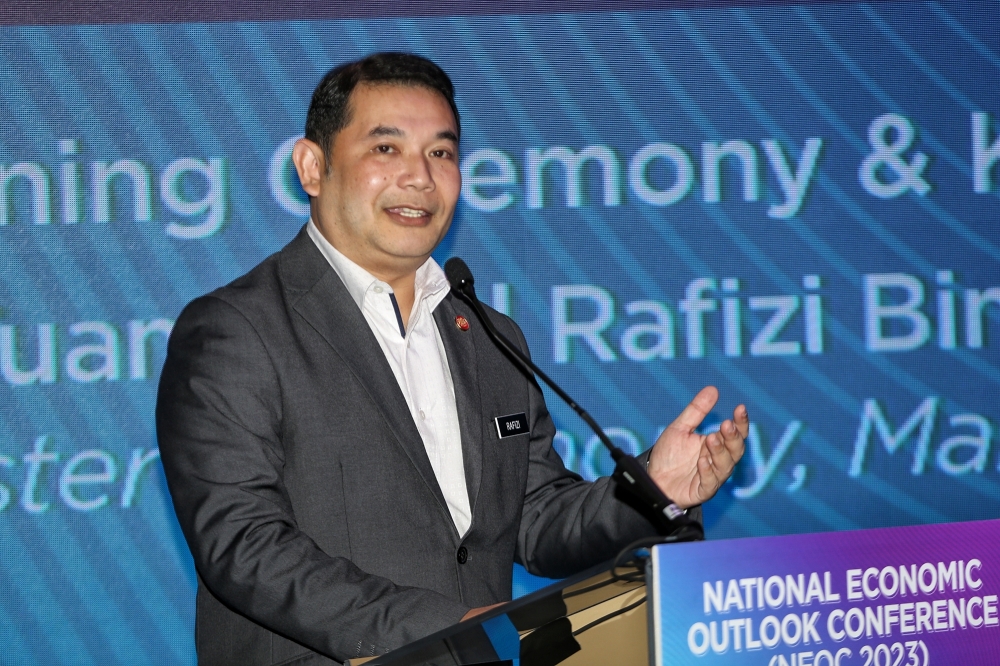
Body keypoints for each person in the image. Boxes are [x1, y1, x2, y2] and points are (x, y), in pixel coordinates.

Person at [156, 52, 748, 666]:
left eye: (441, 153)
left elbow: (536, 520)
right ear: (313, 166)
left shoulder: (488, 334)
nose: (419, 177)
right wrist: (447, 631)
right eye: (386, 149)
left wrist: (652, 491)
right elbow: (244, 545)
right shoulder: (237, 329)